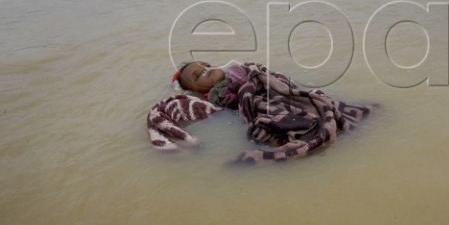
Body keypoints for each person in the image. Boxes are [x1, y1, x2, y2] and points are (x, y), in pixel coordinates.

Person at [147, 59, 372, 163]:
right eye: (197, 76)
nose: (206, 71)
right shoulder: (217, 96)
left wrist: (257, 77)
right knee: (282, 120)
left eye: (205, 66)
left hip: (274, 92)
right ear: (197, 92)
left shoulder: (240, 69)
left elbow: (272, 78)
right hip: (260, 101)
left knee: (311, 100)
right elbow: (241, 104)